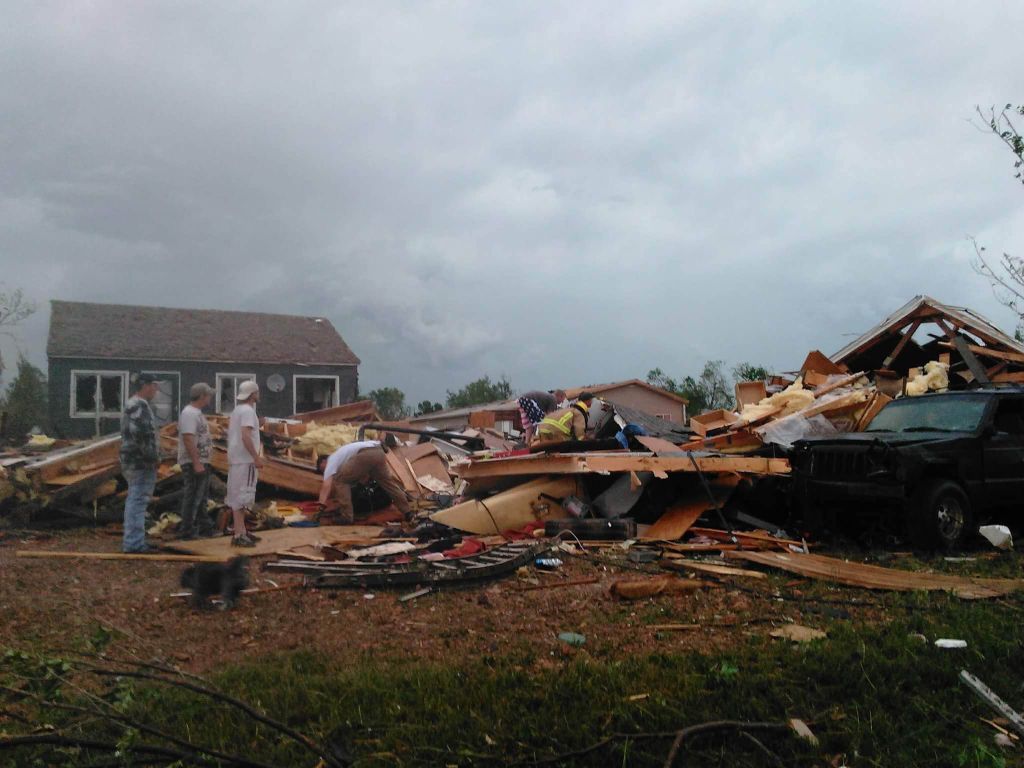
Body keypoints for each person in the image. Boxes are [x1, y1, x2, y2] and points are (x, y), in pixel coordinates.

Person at [317, 438, 412, 525]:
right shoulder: (342, 456)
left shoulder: (331, 459)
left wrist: (321, 505)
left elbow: (326, 485)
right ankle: (407, 512)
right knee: (388, 484)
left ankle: (346, 516)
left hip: (366, 453)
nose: (325, 472)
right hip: (379, 452)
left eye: (322, 470)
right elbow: (362, 473)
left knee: (339, 480)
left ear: (324, 461)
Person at [119, 373, 162, 553]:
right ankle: (134, 543)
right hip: (140, 462)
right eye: (154, 385)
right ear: (146, 386)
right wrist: (153, 457)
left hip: (135, 460)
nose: (156, 389)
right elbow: (142, 436)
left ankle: (135, 540)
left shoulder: (134, 404)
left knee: (136, 499)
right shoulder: (138, 406)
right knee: (137, 500)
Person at [176, 382, 217, 540]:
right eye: (208, 395)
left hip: (201, 461)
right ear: (202, 396)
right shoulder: (189, 413)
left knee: (201, 497)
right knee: (192, 496)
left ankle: (204, 528)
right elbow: (188, 438)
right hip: (194, 462)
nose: (210, 398)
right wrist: (196, 462)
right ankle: (187, 530)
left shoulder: (196, 413)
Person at [226, 380, 263, 547]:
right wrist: (256, 457)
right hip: (245, 460)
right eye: (257, 392)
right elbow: (245, 436)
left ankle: (241, 531)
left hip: (236, 459)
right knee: (242, 497)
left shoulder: (237, 410)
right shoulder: (248, 411)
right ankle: (239, 534)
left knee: (236, 495)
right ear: (252, 394)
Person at [531, 392, 595, 446]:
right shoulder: (578, 412)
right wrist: (585, 441)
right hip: (556, 431)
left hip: (542, 428)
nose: (592, 402)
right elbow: (579, 432)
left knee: (548, 450)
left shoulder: (569, 409)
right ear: (587, 401)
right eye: (591, 400)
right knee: (564, 447)